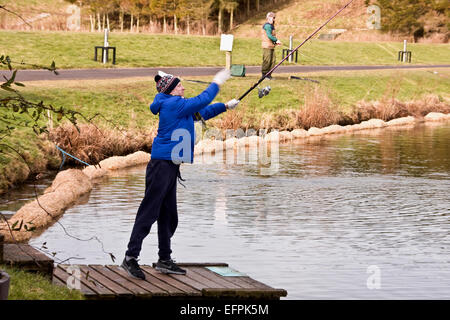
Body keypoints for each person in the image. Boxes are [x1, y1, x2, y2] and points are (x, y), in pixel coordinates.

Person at [121, 69, 240, 280]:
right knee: (149, 212)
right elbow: (203, 99)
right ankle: (130, 258)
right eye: (180, 86)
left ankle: (164, 260)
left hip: (171, 165)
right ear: (171, 90)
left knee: (168, 215)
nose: (183, 87)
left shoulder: (177, 106)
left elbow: (202, 112)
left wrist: (225, 106)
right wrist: (216, 82)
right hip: (161, 165)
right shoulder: (172, 104)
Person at [261, 12, 282, 79]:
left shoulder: (271, 26)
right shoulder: (267, 26)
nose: (273, 19)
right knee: (267, 61)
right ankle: (264, 75)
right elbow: (269, 35)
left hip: (271, 45)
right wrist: (276, 40)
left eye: (273, 17)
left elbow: (271, 36)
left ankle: (269, 75)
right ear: (268, 18)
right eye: (271, 17)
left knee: (273, 61)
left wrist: (275, 42)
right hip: (267, 46)